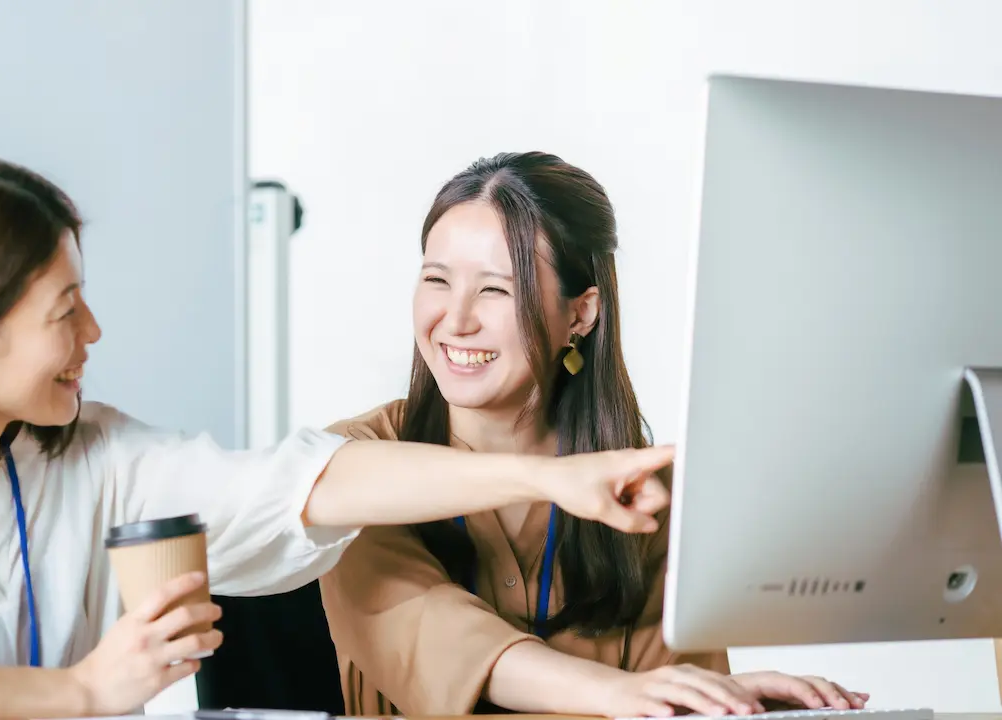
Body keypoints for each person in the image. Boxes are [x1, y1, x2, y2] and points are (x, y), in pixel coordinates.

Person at [0, 152, 678, 720]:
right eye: (66, 311)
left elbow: (302, 484)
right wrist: (86, 694)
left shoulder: (92, 456)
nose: (94, 335)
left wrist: (553, 481)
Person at [319, 151, 868, 719]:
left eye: (496, 290)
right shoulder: (352, 467)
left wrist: (727, 704)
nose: (456, 320)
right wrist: (615, 691)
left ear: (580, 314)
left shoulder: (649, 494)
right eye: (437, 280)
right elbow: (432, 630)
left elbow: (673, 700)